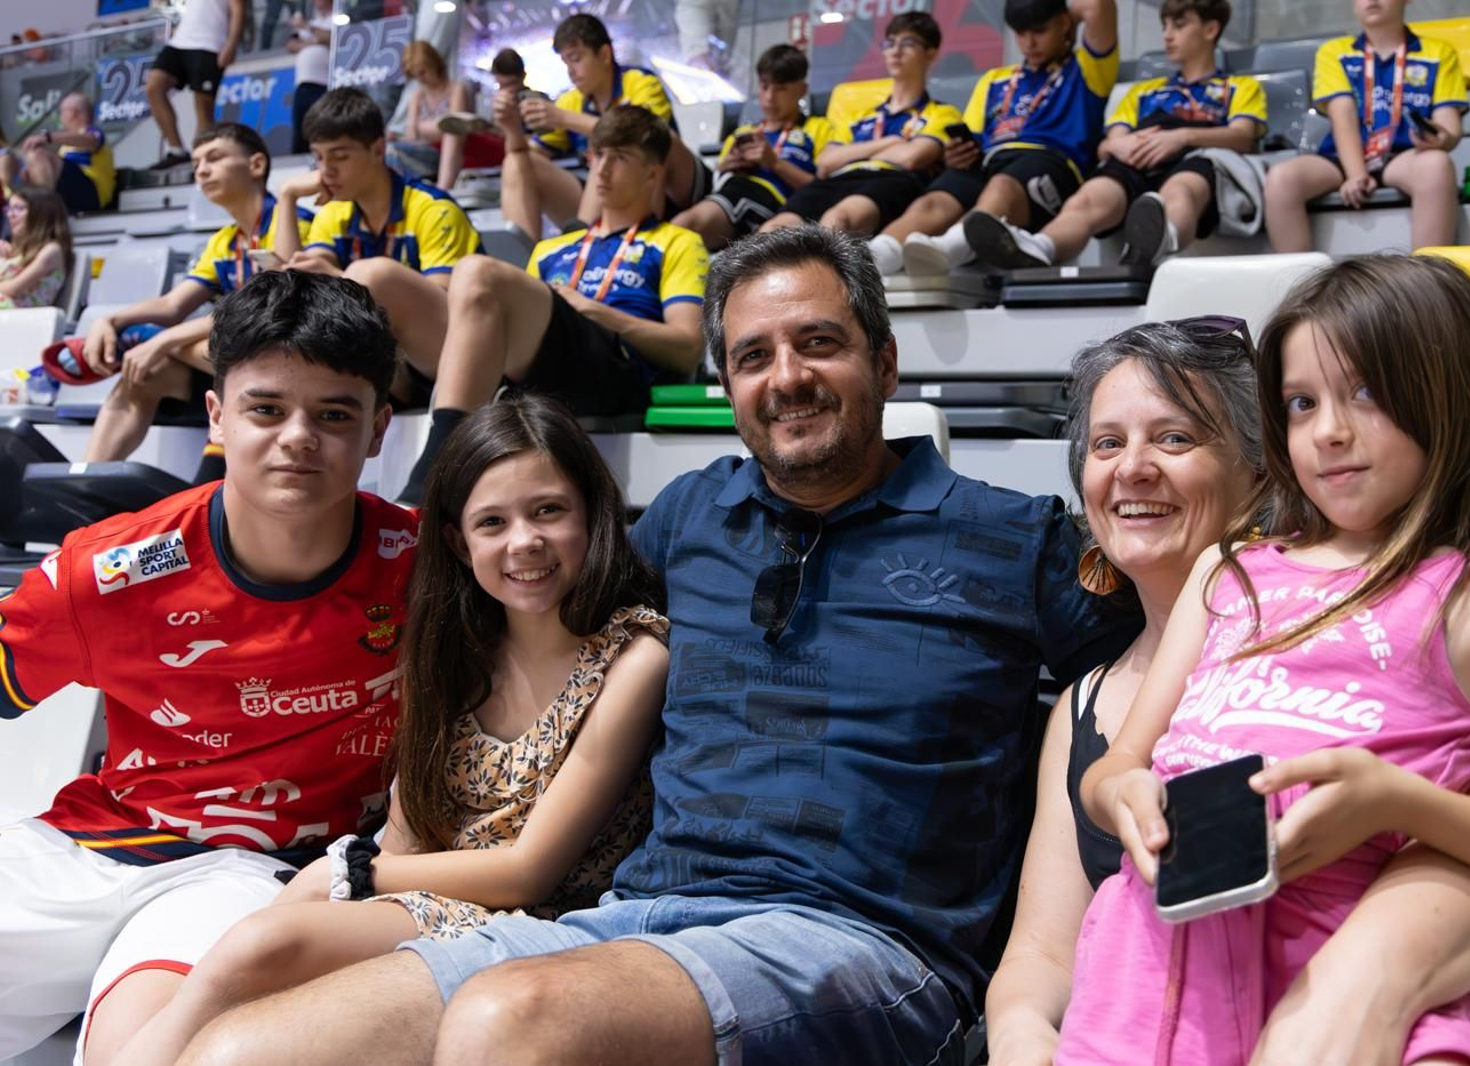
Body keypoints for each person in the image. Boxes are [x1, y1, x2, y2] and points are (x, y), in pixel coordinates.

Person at [175, 224, 1129, 1066]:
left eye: (819, 344)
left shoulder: (1015, 537)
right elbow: (530, 618)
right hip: (636, 921)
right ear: (729, 384)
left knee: (513, 1025)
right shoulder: (691, 514)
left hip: (862, 948)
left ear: (883, 364)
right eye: (754, 356)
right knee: (241, 1049)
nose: (786, 376)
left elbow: (1192, 644)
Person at [1061, 254, 1470, 1062]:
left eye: (1367, 393)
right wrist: (1124, 795)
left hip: (1350, 983)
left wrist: (1403, 804)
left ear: (1448, 393)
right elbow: (1116, 766)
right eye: (1301, 403)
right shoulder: (1230, 568)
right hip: (1147, 977)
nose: (1329, 432)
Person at [108, 394, 670, 1066]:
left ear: (592, 514)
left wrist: (356, 873)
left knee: (263, 948)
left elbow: (530, 872)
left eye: (548, 510)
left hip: (539, 919)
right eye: (492, 522)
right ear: (460, 544)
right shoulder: (457, 649)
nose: (524, 542)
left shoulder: (634, 655)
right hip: (422, 891)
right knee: (262, 940)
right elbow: (408, 825)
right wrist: (353, 877)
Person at [0, 269, 416, 1066]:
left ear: (377, 430)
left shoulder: (430, 567)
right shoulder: (108, 571)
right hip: (89, 846)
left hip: (250, 874)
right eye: (266, 408)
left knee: (141, 1055)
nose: (299, 436)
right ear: (218, 416)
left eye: (334, 414)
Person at [397, 105, 707, 505]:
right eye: (598, 156)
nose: (603, 169)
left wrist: (595, 312)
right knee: (378, 278)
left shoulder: (676, 241)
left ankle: (433, 481)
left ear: (652, 173)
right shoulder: (551, 248)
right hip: (539, 370)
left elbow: (687, 348)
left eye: (621, 157)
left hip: (616, 373)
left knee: (479, 272)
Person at [75, 124, 315, 472]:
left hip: (284, 363)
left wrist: (162, 340)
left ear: (257, 165)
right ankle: (87, 479)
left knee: (163, 350)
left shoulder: (293, 223)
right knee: (144, 371)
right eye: (196, 163)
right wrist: (110, 320)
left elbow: (271, 307)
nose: (201, 170)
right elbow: (173, 305)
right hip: (230, 361)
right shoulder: (223, 241)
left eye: (214, 158)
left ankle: (212, 481)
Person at [968, 0, 1266, 271]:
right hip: (1135, 161)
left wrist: (1182, 137)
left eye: (1179, 25)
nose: (1167, 35)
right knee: (1088, 198)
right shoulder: (1142, 91)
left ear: (1211, 29)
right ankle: (1040, 248)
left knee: (1180, 191)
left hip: (1195, 157)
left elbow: (1242, 136)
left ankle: (1160, 241)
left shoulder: (1240, 86)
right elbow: (1111, 141)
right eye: (1164, 26)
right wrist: (1115, 144)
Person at [866, 0, 1118, 277]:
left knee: (1002, 186)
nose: (1029, 43)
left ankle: (949, 248)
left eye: (1039, 31)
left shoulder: (1087, 68)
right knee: (935, 199)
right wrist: (957, 155)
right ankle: (871, 261)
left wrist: (1052, 11)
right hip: (988, 161)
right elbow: (972, 139)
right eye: (1021, 33)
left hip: (1050, 162)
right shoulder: (995, 79)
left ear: (1064, 23)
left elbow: (1097, 6)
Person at [275, 88, 482, 414]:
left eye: (340, 156)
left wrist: (341, 280)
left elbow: (449, 305)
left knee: (372, 275)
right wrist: (287, 197)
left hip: (448, 356)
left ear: (378, 149)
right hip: (385, 359)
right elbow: (294, 274)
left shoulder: (433, 209)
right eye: (318, 156)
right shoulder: (334, 212)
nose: (326, 170)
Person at [1264, 0, 1467, 252]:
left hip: (1404, 156)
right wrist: (1356, 174)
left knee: (1436, 164)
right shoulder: (1334, 52)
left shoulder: (1439, 53)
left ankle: (1430, 279)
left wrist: (1440, 139)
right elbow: (1342, 115)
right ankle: (1298, 284)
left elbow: (1449, 125)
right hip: (1342, 158)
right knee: (1281, 178)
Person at [760, 13, 963, 238]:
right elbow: (825, 162)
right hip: (838, 179)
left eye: (908, 43)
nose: (895, 51)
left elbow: (911, 158)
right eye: (890, 43)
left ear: (931, 53)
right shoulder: (860, 115)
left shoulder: (942, 113)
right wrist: (891, 142)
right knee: (773, 229)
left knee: (837, 219)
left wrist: (851, 153)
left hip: (889, 180)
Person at [525, 14, 711, 226]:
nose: (571, 72)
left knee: (631, 143)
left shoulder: (641, 82)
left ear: (604, 54)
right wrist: (511, 131)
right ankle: (532, 249)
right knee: (520, 161)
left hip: (676, 191)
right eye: (565, 62)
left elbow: (647, 134)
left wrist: (566, 119)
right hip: (605, 195)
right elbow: (534, 152)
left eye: (576, 59)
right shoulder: (569, 101)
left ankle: (626, 239)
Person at [672, 44, 841, 250]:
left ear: (802, 90)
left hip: (780, 204)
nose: (770, 97)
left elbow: (824, 190)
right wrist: (728, 165)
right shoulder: (742, 134)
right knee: (681, 227)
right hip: (732, 192)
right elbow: (719, 179)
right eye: (764, 86)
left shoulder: (820, 129)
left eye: (780, 88)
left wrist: (775, 164)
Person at [145, 0, 248, 169]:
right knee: (154, 87)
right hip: (180, 42)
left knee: (203, 110)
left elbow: (238, 9)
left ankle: (201, 159)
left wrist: (231, 44)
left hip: (210, 43)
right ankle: (176, 150)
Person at [1, 92, 116, 214]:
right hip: (71, 192)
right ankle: (37, 207)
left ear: (74, 113)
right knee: (31, 161)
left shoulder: (92, 132)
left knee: (38, 154)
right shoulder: (66, 146)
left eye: (62, 112)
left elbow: (92, 141)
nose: (60, 117)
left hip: (92, 195)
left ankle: (43, 210)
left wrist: (47, 137)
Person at [386, 41, 471, 190]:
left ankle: (444, 188)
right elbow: (411, 135)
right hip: (428, 151)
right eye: (415, 75)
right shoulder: (418, 95)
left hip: (453, 150)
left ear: (434, 64)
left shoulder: (456, 89)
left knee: (452, 133)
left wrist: (423, 128)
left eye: (422, 72)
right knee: (390, 149)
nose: (420, 78)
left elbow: (456, 125)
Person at [0, 185, 71, 309]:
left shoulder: (52, 250)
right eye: (9, 209)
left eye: (18, 208)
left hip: (23, 318)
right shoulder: (12, 250)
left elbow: (13, 289)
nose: (10, 215)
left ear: (41, 213)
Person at [287, 0, 334, 155]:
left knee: (322, 125)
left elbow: (333, 37)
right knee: (301, 127)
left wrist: (308, 28)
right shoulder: (314, 23)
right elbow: (291, 45)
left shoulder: (337, 18)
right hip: (303, 84)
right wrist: (313, 41)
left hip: (324, 83)